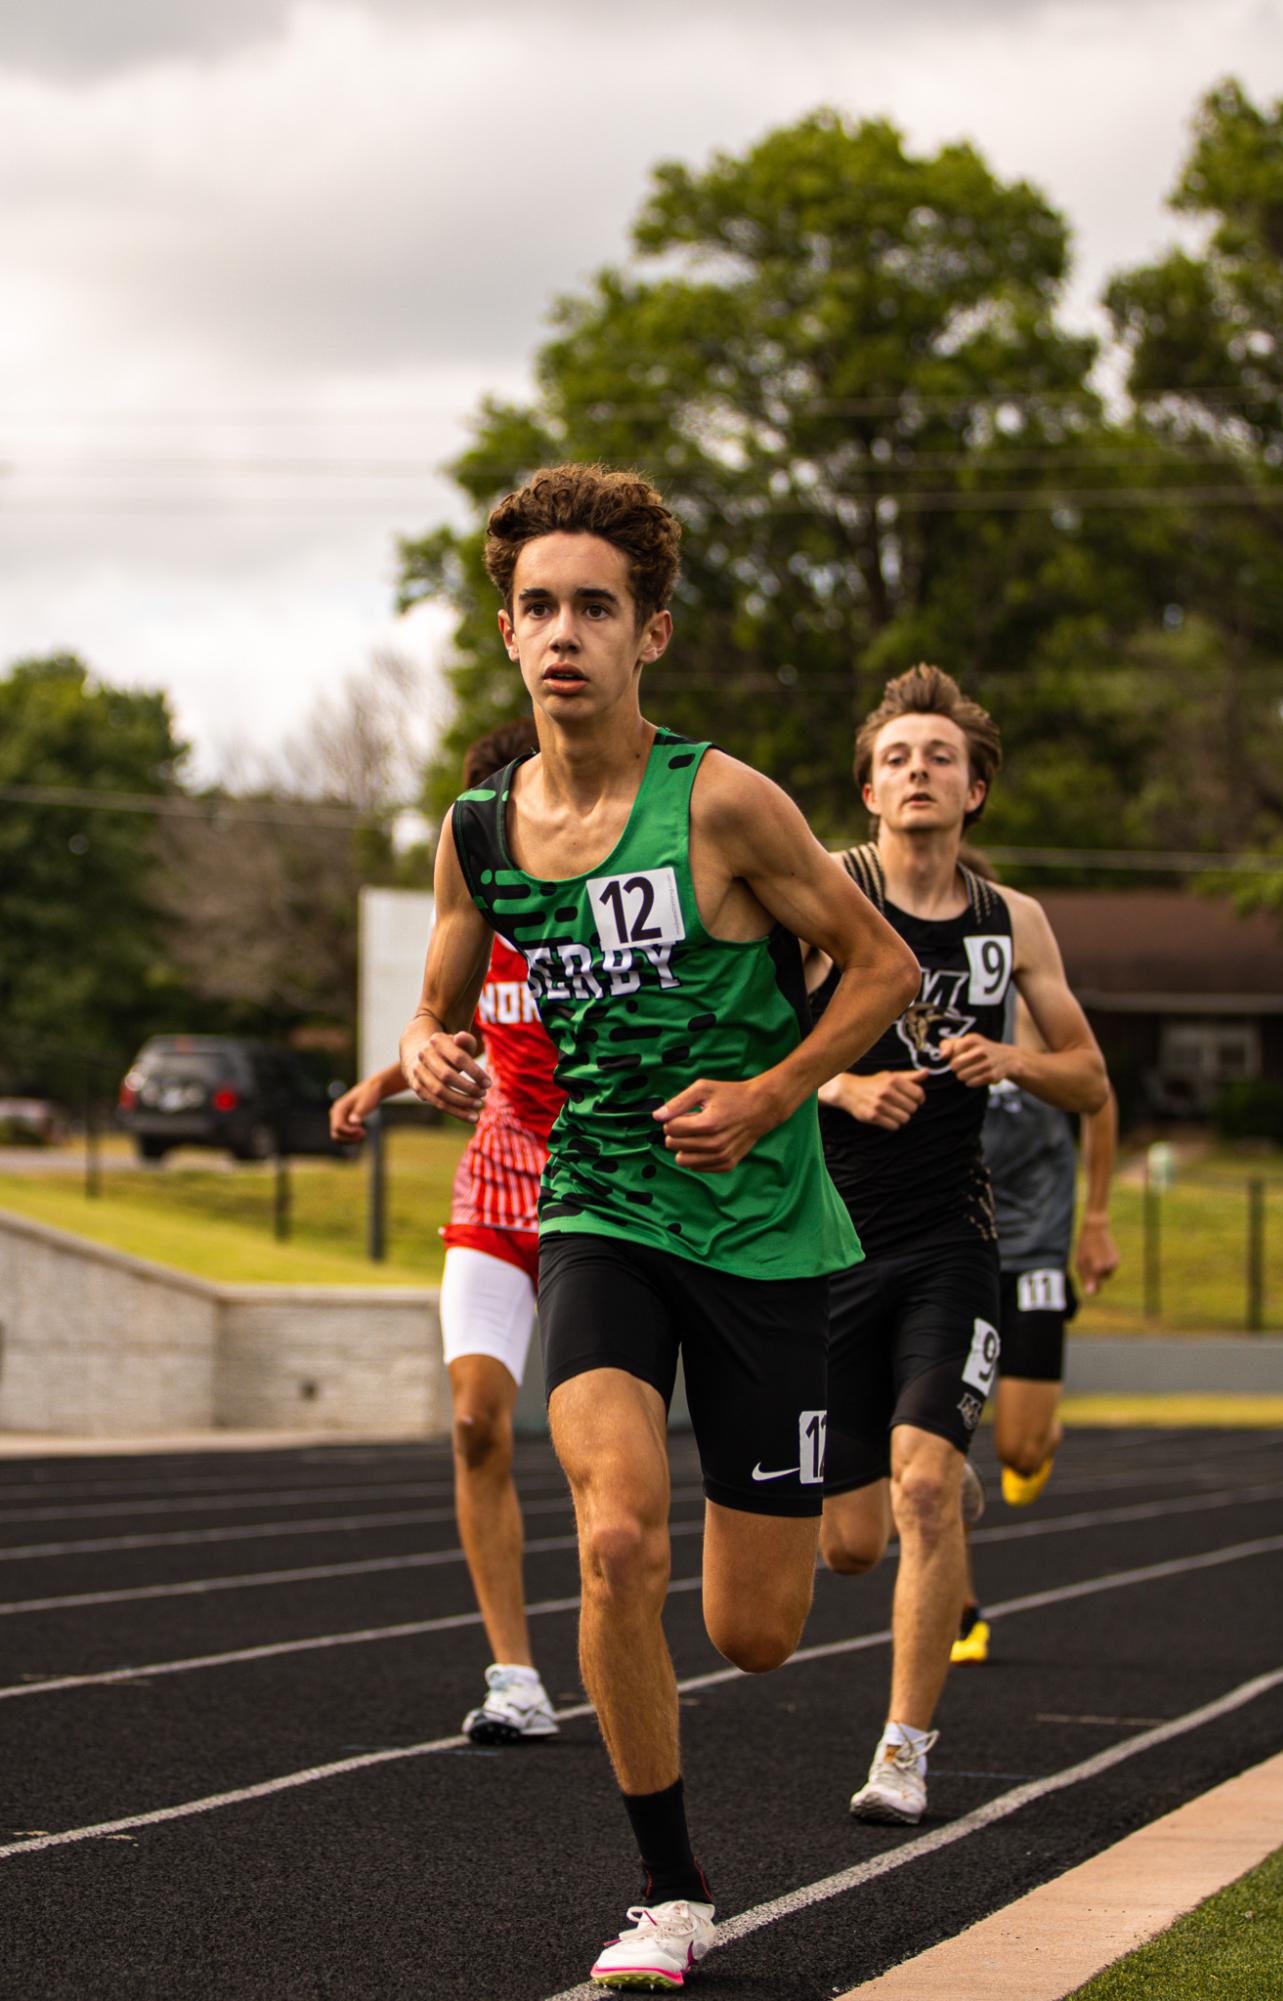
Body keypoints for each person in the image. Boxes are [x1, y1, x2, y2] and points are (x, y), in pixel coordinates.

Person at [399, 463, 919, 1992]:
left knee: (755, 1629)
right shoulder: (479, 828)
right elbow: (438, 1004)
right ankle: (668, 1891)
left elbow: (881, 968)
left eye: (595, 608)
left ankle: (835, 1500)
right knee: (616, 1532)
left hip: (761, 1236)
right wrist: (429, 1048)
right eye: (539, 606)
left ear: (652, 636)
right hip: (600, 1212)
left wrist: (766, 1093)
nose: (565, 633)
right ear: (508, 633)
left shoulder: (725, 802)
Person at [809, 664, 1108, 1826]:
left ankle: (900, 1752)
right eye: (895, 758)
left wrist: (1012, 1060)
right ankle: (928, 1472)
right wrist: (841, 1085)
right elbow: (742, 1045)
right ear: (869, 791)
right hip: (826, 1241)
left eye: (939, 757)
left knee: (923, 1489)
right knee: (844, 1546)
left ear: (973, 788)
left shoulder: (1011, 921)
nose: (917, 773)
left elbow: (1086, 1075)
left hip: (952, 1239)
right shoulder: (827, 891)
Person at [330, 719, 567, 1743]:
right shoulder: (475, 912)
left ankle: (621, 1628)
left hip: (604, 1195)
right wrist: (393, 1075)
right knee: (476, 1421)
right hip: (493, 1189)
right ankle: (513, 1674)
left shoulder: (600, 916)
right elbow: (451, 1024)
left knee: (603, 1453)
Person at [951, 980, 1120, 1666]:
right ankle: (961, 1612)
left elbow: (1100, 1102)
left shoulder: (1039, 1013)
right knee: (938, 1451)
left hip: (1037, 1249)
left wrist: (1098, 1219)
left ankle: (1040, 1435)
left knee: (1019, 1449)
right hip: (954, 1244)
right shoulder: (923, 1012)